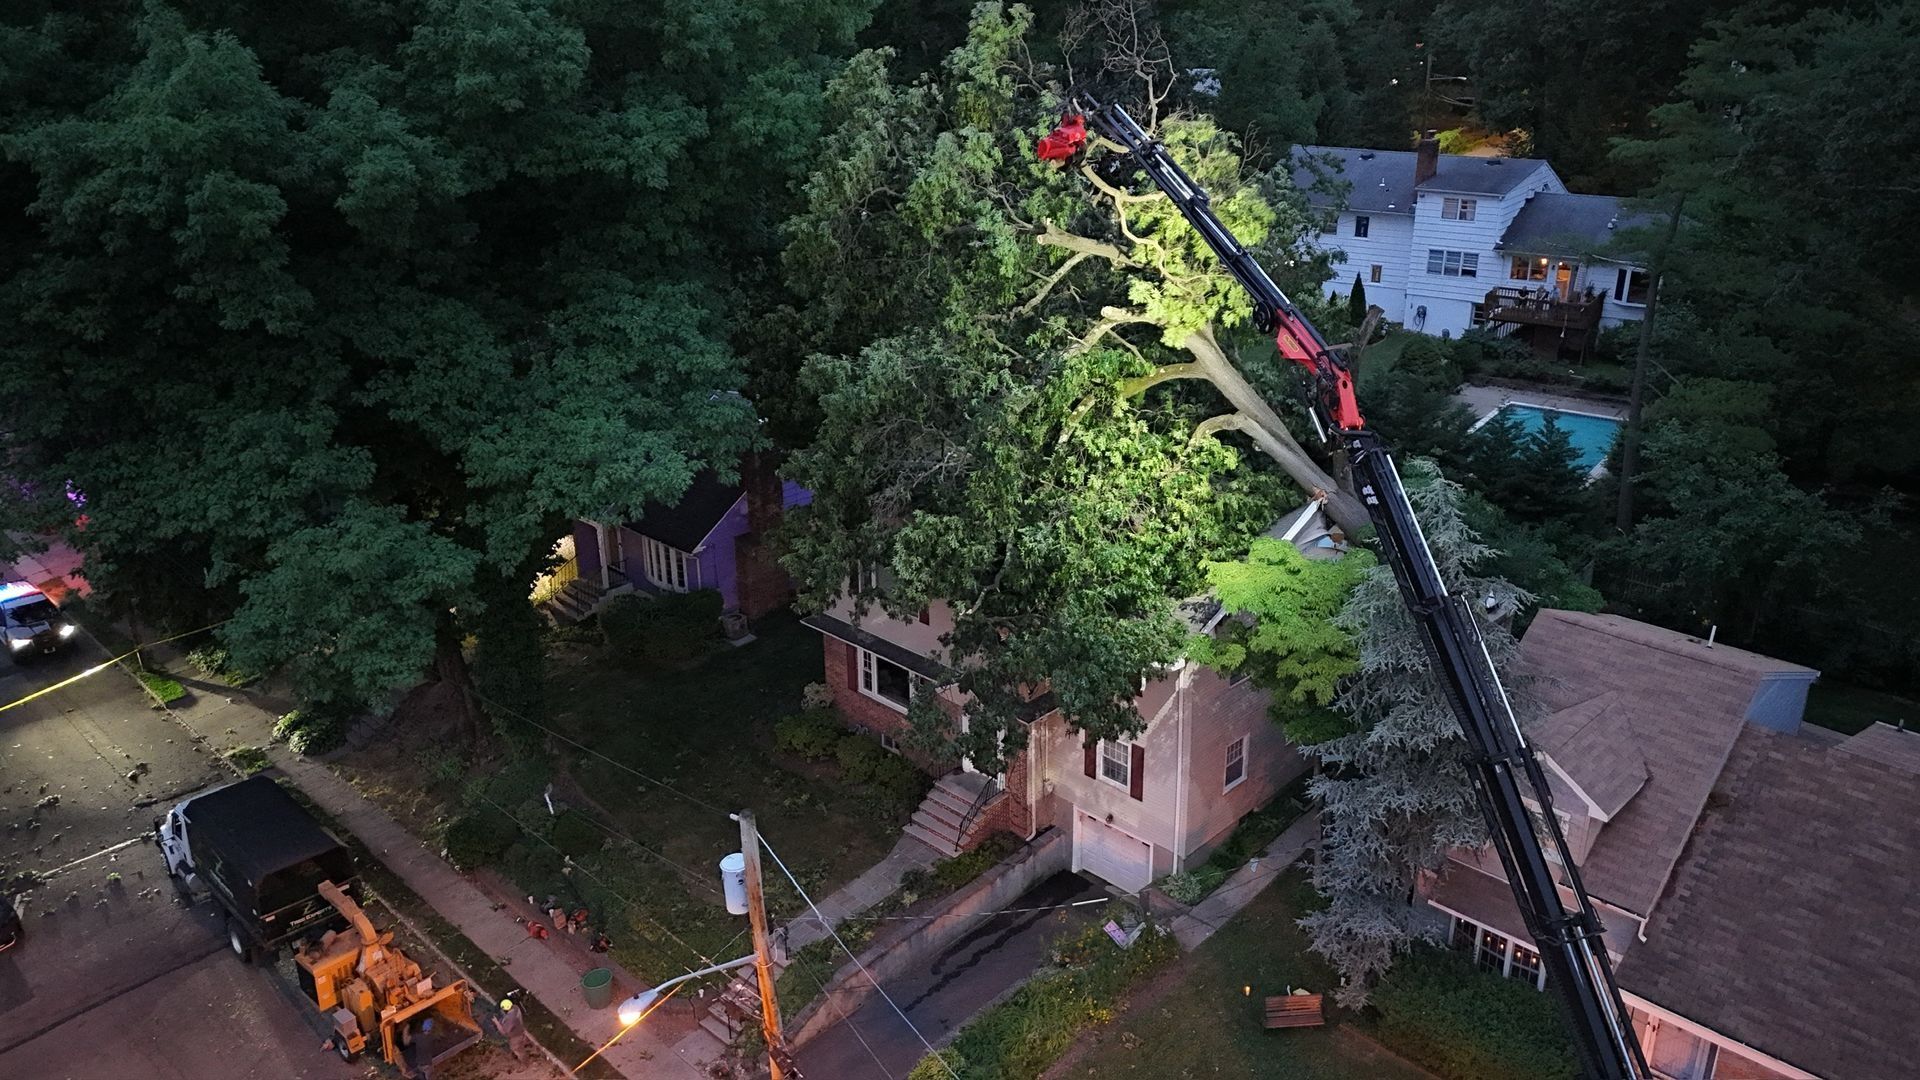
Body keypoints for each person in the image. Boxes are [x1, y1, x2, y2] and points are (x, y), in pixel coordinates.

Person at [492, 996, 532, 1062]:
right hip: (520, 1029)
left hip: (515, 1036)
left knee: (516, 1049)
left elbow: (504, 1032)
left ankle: (525, 1061)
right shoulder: (516, 1008)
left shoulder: (509, 1019)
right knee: (523, 1042)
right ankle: (528, 1045)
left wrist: (496, 1022)